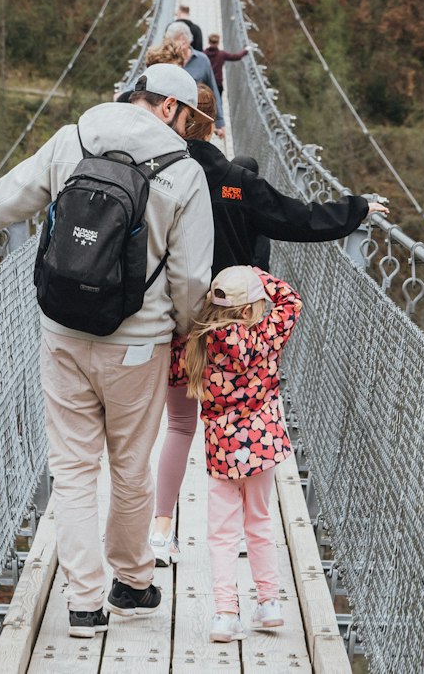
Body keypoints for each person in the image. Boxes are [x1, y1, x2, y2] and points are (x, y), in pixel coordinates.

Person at [0, 64, 214, 641]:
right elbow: (192, 277)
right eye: (188, 115)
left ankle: (84, 605)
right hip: (137, 346)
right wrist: (187, 330)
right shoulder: (184, 172)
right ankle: (131, 581)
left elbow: (16, 194)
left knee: (71, 471)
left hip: (62, 331)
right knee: (128, 467)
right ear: (170, 109)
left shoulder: (72, 138)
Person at [150, 84, 388, 569]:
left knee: (178, 425)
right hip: (228, 328)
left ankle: (159, 529)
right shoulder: (236, 181)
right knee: (233, 423)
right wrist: (355, 208)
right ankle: (239, 534)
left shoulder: (153, 173)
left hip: (169, 323)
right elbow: (296, 218)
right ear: (215, 128)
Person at [182, 265, 301, 642]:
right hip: (262, 446)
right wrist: (255, 273)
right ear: (250, 309)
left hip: (222, 450)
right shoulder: (266, 335)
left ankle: (224, 613)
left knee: (221, 533)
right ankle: (269, 603)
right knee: (260, 522)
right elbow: (291, 300)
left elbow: (174, 372)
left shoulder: (198, 342)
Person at [165, 21, 224, 132]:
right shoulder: (166, 60)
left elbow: (213, 90)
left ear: (185, 41)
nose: (171, 48)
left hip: (195, 120)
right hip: (170, 120)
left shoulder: (202, 60)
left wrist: (220, 122)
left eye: (173, 44)